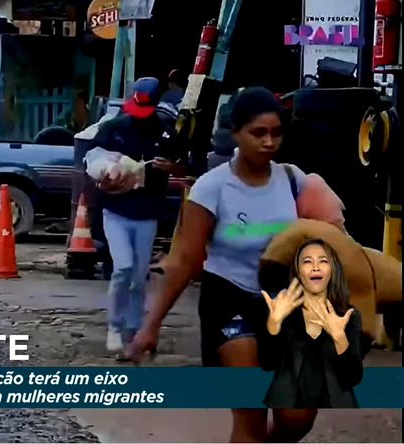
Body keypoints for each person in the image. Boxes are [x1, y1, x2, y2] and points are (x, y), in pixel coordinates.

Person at [128, 87, 311, 442]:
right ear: (236, 133)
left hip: (285, 303)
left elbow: (326, 238)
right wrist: (150, 326)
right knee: (252, 407)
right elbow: (184, 260)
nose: (269, 142)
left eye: (276, 133)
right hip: (228, 301)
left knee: (299, 415)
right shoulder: (212, 187)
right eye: (258, 133)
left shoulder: (293, 180)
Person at [91, 77, 184, 357]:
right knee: (123, 268)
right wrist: (103, 174)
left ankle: (134, 332)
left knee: (139, 276)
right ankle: (115, 327)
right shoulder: (113, 129)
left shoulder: (166, 134)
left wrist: (171, 167)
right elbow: (92, 160)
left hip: (147, 214)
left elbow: (183, 163)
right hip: (116, 212)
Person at [257, 239, 362, 439]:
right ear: (297, 271)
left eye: (323, 261)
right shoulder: (282, 310)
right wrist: (274, 324)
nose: (315, 267)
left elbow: (353, 376)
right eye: (307, 261)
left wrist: (339, 337)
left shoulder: (349, 316)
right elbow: (267, 363)